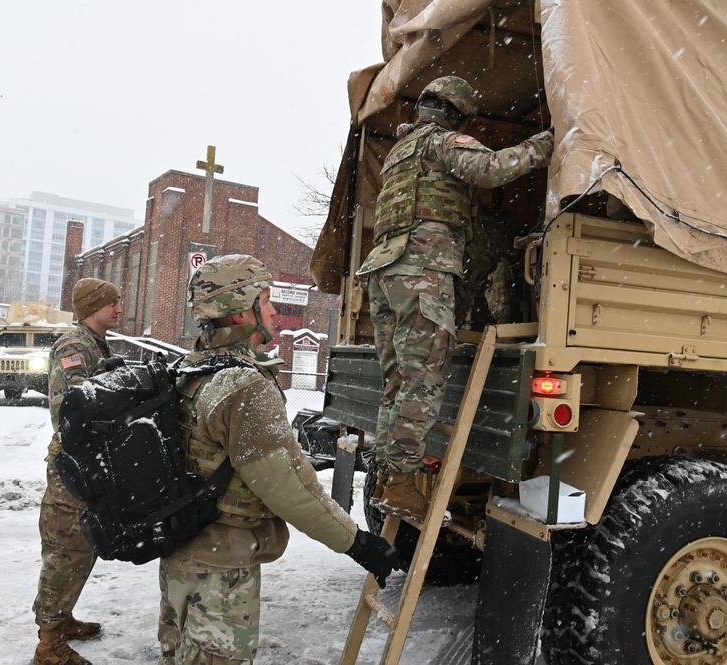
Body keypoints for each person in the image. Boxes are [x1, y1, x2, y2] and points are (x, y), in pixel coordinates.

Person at [158, 254, 400, 665]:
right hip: (220, 570)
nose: (273, 311)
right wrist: (356, 543)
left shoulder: (193, 368)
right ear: (239, 314)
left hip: (184, 555)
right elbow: (284, 487)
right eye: (265, 301)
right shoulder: (243, 386)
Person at [356, 75, 555, 520]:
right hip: (421, 272)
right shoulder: (443, 142)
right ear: (455, 114)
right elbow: (492, 170)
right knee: (423, 383)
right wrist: (545, 144)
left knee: (397, 385)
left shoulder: (397, 154)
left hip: (383, 272)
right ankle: (404, 482)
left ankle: (391, 478)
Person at [32, 278, 123, 665]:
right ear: (92, 307)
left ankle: (62, 619)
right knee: (65, 551)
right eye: (113, 304)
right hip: (75, 466)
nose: (119, 309)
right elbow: (69, 411)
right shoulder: (74, 346)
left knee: (82, 547)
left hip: (89, 465)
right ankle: (49, 645)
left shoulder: (95, 345)